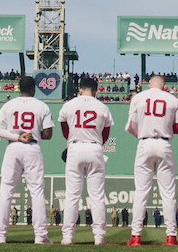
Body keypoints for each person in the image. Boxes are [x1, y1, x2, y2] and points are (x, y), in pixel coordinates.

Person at [0, 75, 54, 244]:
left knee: (6, 192)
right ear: (34, 89)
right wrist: (32, 134)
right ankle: (40, 236)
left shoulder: (9, 104)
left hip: (13, 146)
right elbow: (48, 134)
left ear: (19, 88)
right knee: (37, 192)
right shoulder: (41, 106)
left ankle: (0, 236)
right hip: (33, 148)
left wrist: (17, 136)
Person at [125, 74, 178, 247]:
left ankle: (136, 236)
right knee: (168, 193)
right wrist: (165, 126)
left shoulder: (138, 97)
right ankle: (171, 236)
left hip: (144, 142)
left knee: (141, 192)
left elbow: (131, 125)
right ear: (164, 85)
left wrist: (144, 132)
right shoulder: (172, 99)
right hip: (164, 144)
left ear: (149, 84)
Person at [59, 75, 114, 246]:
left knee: (72, 196)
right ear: (96, 91)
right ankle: (99, 236)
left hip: (75, 147)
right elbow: (105, 135)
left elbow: (64, 130)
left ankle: (67, 236)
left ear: (80, 89)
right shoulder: (102, 107)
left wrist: (74, 140)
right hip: (95, 147)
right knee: (97, 196)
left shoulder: (69, 105)